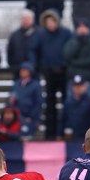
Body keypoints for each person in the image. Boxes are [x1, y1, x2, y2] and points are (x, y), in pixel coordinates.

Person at [27, 9, 72, 139]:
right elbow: (33, 51)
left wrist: (65, 64)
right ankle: (50, 133)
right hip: (48, 73)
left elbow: (71, 49)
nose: (50, 24)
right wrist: (37, 66)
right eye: (48, 22)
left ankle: (64, 130)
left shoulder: (66, 33)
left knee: (66, 102)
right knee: (50, 103)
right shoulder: (41, 35)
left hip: (63, 72)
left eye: (52, 21)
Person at [59, 75, 90, 140]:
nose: (77, 88)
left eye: (80, 86)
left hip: (87, 138)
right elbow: (63, 119)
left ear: (85, 86)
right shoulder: (68, 102)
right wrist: (59, 133)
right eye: (75, 86)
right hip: (71, 137)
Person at [8, 62, 42, 138]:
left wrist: (31, 116)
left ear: (30, 72)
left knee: (28, 137)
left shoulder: (35, 85)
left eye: (24, 70)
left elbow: (38, 102)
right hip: (17, 117)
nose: (22, 72)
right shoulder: (16, 84)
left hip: (30, 118)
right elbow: (10, 97)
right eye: (21, 70)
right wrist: (11, 101)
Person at [6, 10, 41, 78]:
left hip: (35, 72)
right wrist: (14, 67)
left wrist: (36, 66)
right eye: (23, 19)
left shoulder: (39, 34)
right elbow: (10, 52)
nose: (25, 21)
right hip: (18, 72)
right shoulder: (15, 35)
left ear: (32, 19)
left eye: (27, 19)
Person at [63, 19, 90, 84]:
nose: (82, 29)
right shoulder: (71, 42)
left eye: (84, 27)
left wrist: (75, 62)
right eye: (80, 27)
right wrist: (77, 43)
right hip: (73, 76)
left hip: (88, 77)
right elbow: (67, 56)